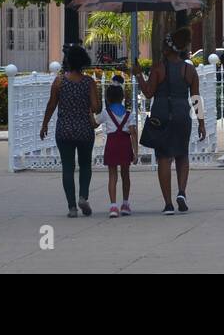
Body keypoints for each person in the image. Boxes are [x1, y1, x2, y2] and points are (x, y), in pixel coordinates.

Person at [136, 26, 205, 215]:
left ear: (167, 49)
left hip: (161, 115)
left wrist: (138, 74)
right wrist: (201, 122)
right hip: (182, 114)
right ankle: (181, 192)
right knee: (182, 154)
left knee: (164, 158)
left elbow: (149, 93)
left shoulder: (159, 68)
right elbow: (196, 98)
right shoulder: (189, 70)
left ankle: (168, 204)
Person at [40, 44, 101, 218]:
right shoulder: (89, 82)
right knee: (85, 165)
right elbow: (96, 108)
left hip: (64, 130)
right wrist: (92, 104)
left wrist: (44, 124)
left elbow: (51, 105)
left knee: (67, 167)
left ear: (67, 61)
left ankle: (72, 207)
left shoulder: (59, 81)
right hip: (84, 130)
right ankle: (83, 196)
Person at [100, 76, 138, 218]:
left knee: (112, 175)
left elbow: (95, 123)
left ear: (108, 98)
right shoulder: (129, 114)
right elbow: (133, 133)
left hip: (112, 143)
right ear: (122, 97)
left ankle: (113, 206)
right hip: (124, 143)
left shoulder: (106, 113)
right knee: (125, 174)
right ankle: (126, 204)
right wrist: (136, 152)